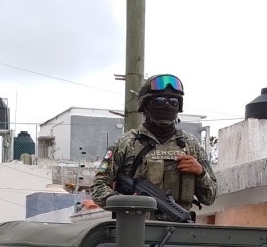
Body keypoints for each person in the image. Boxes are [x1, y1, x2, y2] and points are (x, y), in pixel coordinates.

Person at [91, 74, 217, 212]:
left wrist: (200, 173)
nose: (167, 105)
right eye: (160, 100)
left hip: (180, 229)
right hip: (135, 227)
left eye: (173, 101)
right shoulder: (126, 143)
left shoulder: (191, 145)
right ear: (145, 105)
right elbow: (98, 186)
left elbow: (210, 198)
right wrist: (125, 202)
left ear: (179, 106)